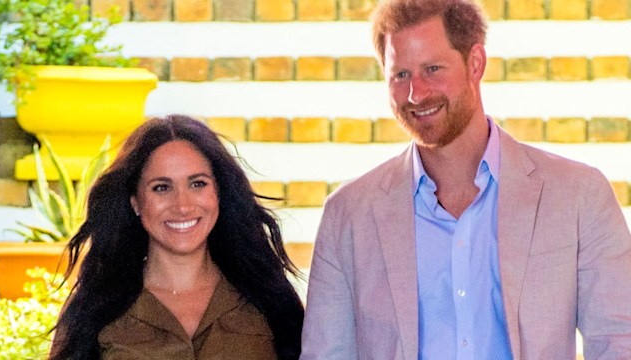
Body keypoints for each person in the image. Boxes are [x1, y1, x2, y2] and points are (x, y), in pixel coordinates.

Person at [300, 0, 631, 359]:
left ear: (475, 63)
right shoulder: (347, 215)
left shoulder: (578, 194)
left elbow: (619, 339)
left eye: (432, 69)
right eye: (401, 75)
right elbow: (326, 354)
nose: (416, 93)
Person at [50, 115, 304, 359]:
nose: (182, 205)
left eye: (197, 184)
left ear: (219, 192)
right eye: (162, 187)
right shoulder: (94, 309)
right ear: (136, 202)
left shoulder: (268, 299)